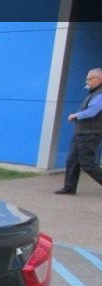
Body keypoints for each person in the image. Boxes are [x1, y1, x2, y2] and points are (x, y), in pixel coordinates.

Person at [55, 67, 102, 195]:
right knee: (72, 161)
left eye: (89, 79)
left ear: (98, 79)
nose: (87, 82)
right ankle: (69, 187)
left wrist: (76, 115)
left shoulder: (100, 94)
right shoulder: (94, 93)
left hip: (90, 134)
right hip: (81, 133)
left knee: (87, 163)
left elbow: (92, 112)